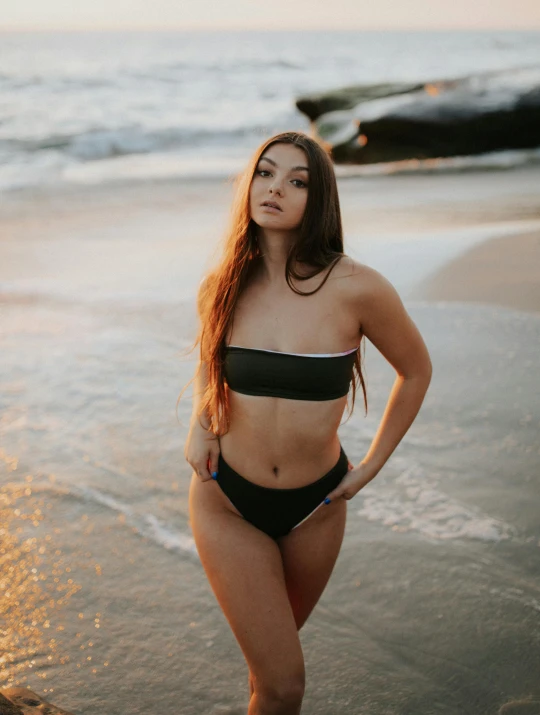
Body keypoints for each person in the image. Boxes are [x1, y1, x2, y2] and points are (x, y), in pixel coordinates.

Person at [182, 131, 432, 715]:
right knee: (285, 683)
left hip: (316, 508)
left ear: (318, 200)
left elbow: (415, 371)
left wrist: (370, 467)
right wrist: (200, 422)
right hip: (227, 499)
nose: (276, 188)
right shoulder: (221, 285)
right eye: (266, 173)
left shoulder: (358, 287)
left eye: (298, 181)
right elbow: (208, 360)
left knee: (268, 675)